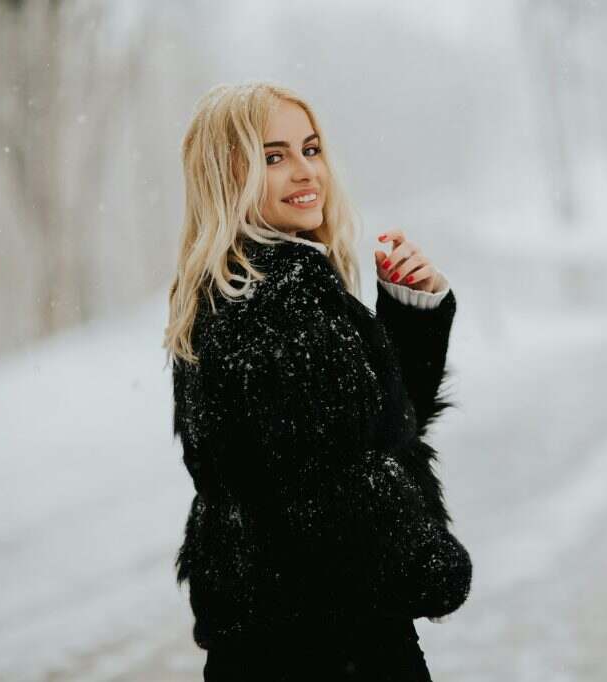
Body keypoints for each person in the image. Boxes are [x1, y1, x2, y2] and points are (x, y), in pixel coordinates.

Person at [162, 82, 472, 681]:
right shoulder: (284, 303)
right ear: (229, 175)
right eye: (273, 157)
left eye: (311, 149)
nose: (305, 172)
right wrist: (431, 566)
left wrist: (410, 313)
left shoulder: (230, 290)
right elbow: (332, 489)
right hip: (331, 648)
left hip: (275, 642)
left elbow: (355, 435)